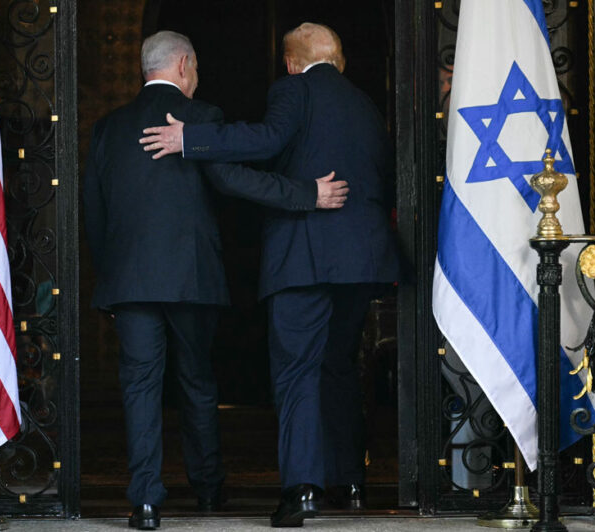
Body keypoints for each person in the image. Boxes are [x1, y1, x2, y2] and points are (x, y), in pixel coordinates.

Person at [83, 30, 349, 531]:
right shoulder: (200, 118)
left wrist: (111, 275)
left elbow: (93, 213)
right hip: (191, 278)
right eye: (198, 68)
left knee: (139, 387)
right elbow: (232, 180)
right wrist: (305, 194)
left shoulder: (107, 127)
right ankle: (208, 489)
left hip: (129, 281)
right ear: (184, 65)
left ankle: (144, 502)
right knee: (197, 383)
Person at [140, 22, 401, 527]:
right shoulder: (367, 105)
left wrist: (191, 136)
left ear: (289, 63)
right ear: (339, 58)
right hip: (362, 260)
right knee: (339, 365)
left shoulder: (294, 89)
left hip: (305, 256)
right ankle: (349, 479)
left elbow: (267, 139)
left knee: (298, 370)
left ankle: (301, 490)